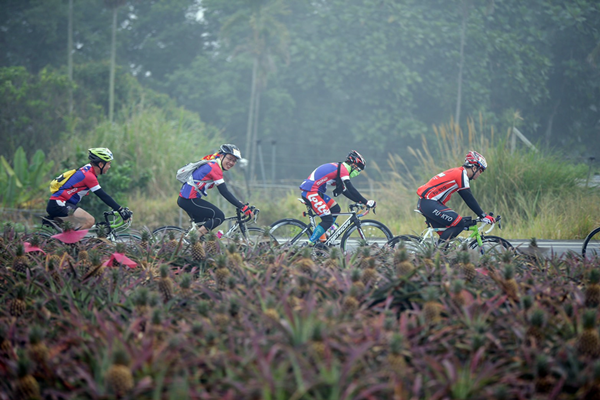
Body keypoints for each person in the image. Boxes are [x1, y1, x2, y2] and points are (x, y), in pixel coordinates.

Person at [299, 150, 377, 245]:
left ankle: (324, 237)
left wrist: (360, 201)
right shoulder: (343, 169)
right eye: (359, 170)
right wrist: (366, 202)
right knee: (327, 220)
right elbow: (350, 188)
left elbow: (345, 191)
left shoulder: (339, 169)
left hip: (313, 191)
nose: (358, 172)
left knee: (335, 208)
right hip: (311, 192)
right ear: (354, 165)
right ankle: (309, 244)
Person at [177, 144, 254, 238]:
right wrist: (242, 207)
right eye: (229, 159)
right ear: (221, 156)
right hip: (189, 200)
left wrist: (238, 203)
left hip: (187, 199)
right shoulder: (214, 167)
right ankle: (192, 239)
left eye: (234, 161)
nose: (231, 162)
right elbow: (224, 191)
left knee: (206, 231)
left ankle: (195, 245)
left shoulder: (213, 164)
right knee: (219, 217)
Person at [416, 150, 495, 241]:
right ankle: (437, 253)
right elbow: (468, 198)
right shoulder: (461, 175)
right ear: (474, 168)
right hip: (429, 203)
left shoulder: (458, 172)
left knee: (448, 236)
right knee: (459, 223)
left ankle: (440, 253)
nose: (479, 174)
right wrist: (483, 215)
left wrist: (481, 215)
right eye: (480, 171)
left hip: (427, 203)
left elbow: (465, 196)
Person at [47, 147, 132, 229]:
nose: (109, 166)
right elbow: (102, 195)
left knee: (81, 226)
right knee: (89, 221)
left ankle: (69, 241)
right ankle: (70, 243)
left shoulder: (88, 168)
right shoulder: (89, 176)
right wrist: (120, 210)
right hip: (59, 204)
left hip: (61, 203)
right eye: (109, 163)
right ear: (101, 164)